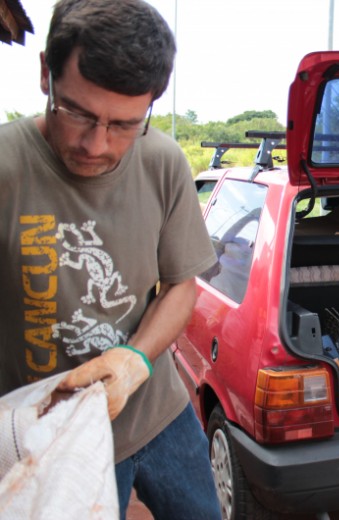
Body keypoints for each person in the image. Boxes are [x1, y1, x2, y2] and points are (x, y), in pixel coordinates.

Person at [0, 1, 221, 518]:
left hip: (159, 413)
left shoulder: (164, 163)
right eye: (77, 112)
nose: (97, 145)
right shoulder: (6, 167)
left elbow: (180, 286)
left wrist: (137, 360)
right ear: (44, 76)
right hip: (51, 432)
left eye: (125, 124)